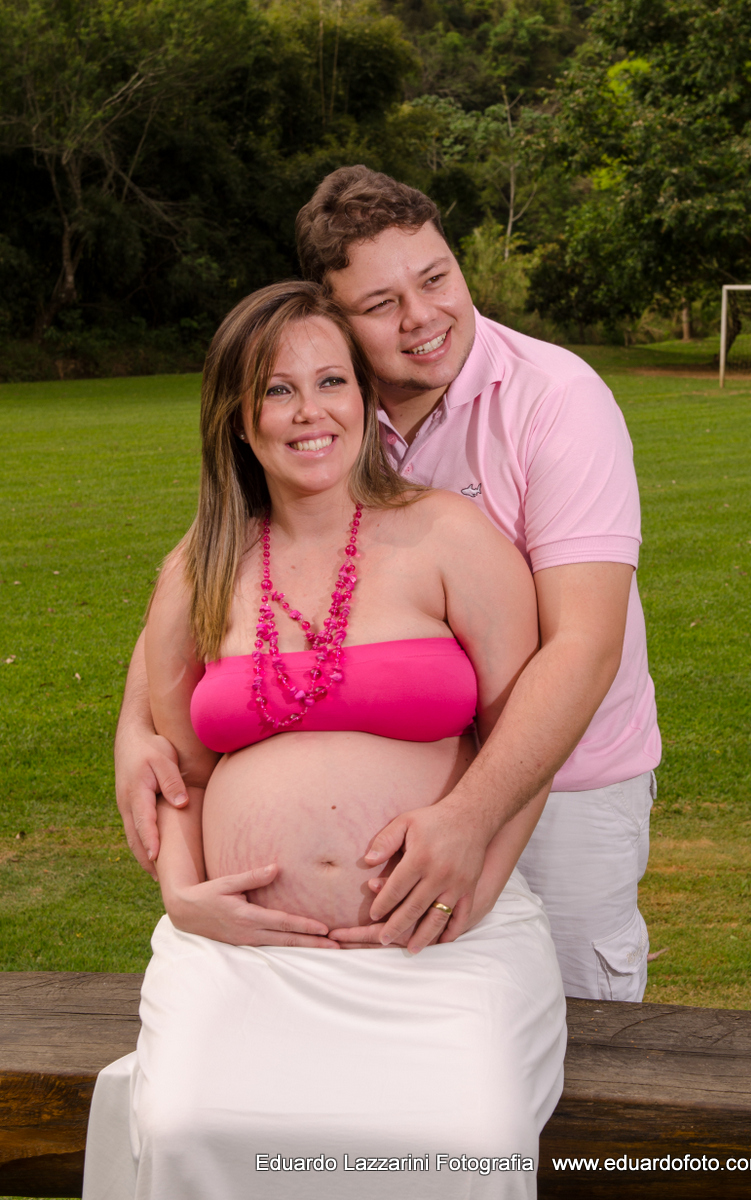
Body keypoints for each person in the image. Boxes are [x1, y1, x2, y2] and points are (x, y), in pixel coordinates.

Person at [115, 166, 660, 1001]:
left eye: (436, 277)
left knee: (583, 1037)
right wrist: (133, 729)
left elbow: (583, 646)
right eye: (379, 305)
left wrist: (471, 820)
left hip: (568, 775)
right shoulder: (323, 406)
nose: (423, 317)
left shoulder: (555, 401)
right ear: (335, 326)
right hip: (301, 927)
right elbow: (203, 581)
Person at [82, 281, 566, 1200]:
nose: (311, 412)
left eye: (332, 381)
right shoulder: (201, 567)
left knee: (469, 1134)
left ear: (365, 397)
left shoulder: (447, 537)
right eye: (276, 389)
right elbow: (180, 769)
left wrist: (479, 879)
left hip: (435, 944)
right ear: (236, 417)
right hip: (244, 954)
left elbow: (524, 742)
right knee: (189, 1124)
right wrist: (185, 896)